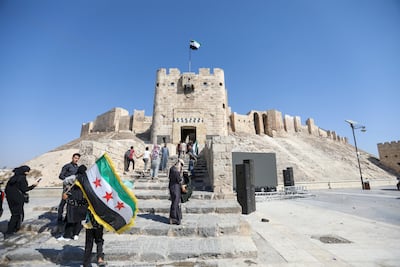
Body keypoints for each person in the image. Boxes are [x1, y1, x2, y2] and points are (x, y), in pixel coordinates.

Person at [4, 165, 40, 238]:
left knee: (14, 214)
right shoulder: (22, 178)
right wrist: (34, 185)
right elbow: (25, 189)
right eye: (27, 171)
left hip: (10, 199)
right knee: (17, 215)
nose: (28, 173)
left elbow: (6, 189)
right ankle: (10, 231)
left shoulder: (13, 178)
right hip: (18, 199)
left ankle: (13, 229)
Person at [57, 165, 88, 241]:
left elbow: (65, 181)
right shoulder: (86, 179)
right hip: (82, 198)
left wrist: (67, 188)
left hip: (73, 197)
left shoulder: (74, 177)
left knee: (70, 216)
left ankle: (67, 235)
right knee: (79, 217)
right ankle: (76, 234)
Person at [58, 153, 80, 225]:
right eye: (75, 158)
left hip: (74, 189)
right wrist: (67, 180)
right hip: (67, 188)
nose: (76, 159)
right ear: (72, 158)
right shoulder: (67, 166)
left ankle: (68, 218)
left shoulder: (77, 168)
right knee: (63, 202)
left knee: (71, 204)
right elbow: (61, 176)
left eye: (77, 158)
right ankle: (59, 217)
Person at [168, 159, 185, 225]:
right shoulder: (175, 171)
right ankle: (174, 218)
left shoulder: (172, 168)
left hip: (172, 186)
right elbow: (179, 179)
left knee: (175, 202)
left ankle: (175, 217)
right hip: (175, 187)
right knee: (175, 202)